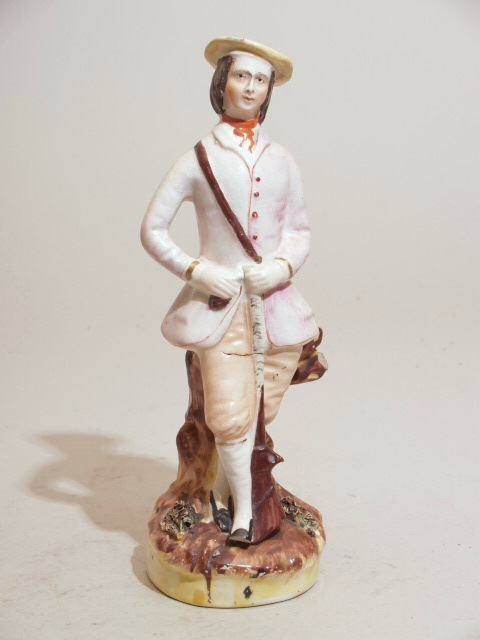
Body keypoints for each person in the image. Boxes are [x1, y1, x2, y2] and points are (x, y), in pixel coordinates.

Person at [141, 37, 319, 543]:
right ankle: (245, 515)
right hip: (220, 308)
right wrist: (197, 270)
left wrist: (281, 266)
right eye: (242, 76)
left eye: (260, 80)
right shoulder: (198, 158)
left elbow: (299, 231)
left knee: (264, 410)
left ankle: (224, 487)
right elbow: (153, 229)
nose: (250, 87)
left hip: (276, 309)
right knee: (229, 415)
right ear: (222, 83)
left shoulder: (282, 159)